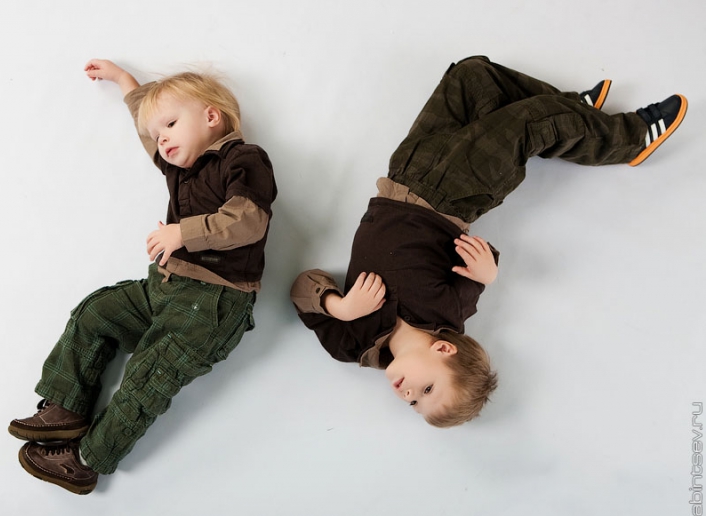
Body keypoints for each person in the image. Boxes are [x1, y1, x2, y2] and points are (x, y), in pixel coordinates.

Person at [290, 55, 687, 428]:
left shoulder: (352, 344)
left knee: (470, 75)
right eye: (427, 390)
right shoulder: (448, 313)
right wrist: (488, 273)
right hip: (455, 193)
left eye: (415, 403)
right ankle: (632, 138)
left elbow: (302, 286)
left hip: (402, 172)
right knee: (529, 124)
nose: (409, 395)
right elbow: (481, 270)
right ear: (444, 351)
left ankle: (571, 111)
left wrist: (340, 307)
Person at [8, 59, 277, 494]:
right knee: (97, 312)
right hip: (164, 287)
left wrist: (182, 233)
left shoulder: (243, 159)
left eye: (170, 125)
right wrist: (124, 81)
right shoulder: (179, 166)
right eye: (157, 133)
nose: (161, 138)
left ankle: (86, 460)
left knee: (147, 377)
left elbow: (247, 222)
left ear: (211, 116)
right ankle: (66, 408)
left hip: (213, 303)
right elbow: (146, 128)